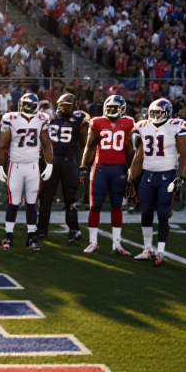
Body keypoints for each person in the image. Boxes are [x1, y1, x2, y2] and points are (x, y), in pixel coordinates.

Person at [129, 99, 186, 266]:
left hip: (167, 175)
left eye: (159, 113)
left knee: (163, 213)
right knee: (146, 211)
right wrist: (131, 177)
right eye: (153, 113)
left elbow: (185, 154)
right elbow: (139, 155)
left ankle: (161, 251)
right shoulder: (143, 126)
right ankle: (147, 248)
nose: (155, 116)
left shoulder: (177, 126)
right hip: (148, 175)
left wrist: (181, 177)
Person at [0, 93, 52, 251]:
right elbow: (1, 143)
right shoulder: (11, 118)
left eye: (30, 106)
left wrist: (50, 164)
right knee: (13, 202)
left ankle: (32, 236)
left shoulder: (41, 118)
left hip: (33, 165)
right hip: (16, 165)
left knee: (31, 203)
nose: (28, 108)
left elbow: (47, 144)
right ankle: (9, 235)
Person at [80, 94, 134, 255]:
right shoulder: (97, 122)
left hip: (119, 169)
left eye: (114, 108)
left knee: (116, 206)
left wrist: (132, 170)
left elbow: (131, 150)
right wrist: (83, 166)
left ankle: (117, 244)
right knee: (95, 206)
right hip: (100, 168)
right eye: (109, 108)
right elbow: (89, 146)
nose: (111, 111)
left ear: (122, 110)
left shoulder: (128, 123)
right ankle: (93, 242)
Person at [41, 93, 88, 243]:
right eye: (62, 105)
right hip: (56, 161)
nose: (63, 109)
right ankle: (43, 229)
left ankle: (73, 230)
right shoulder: (52, 118)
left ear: (74, 106)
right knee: (48, 197)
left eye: (67, 106)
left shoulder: (76, 118)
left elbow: (83, 139)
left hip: (66, 161)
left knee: (68, 198)